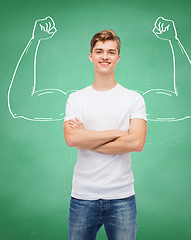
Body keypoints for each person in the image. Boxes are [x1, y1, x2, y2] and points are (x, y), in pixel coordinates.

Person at [63, 30, 147, 240]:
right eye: (99, 51)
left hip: (122, 197)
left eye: (111, 52)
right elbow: (72, 139)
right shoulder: (76, 99)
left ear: (118, 57)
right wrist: (117, 134)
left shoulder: (134, 99)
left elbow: (136, 142)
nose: (105, 57)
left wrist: (87, 137)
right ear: (90, 56)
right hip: (82, 196)